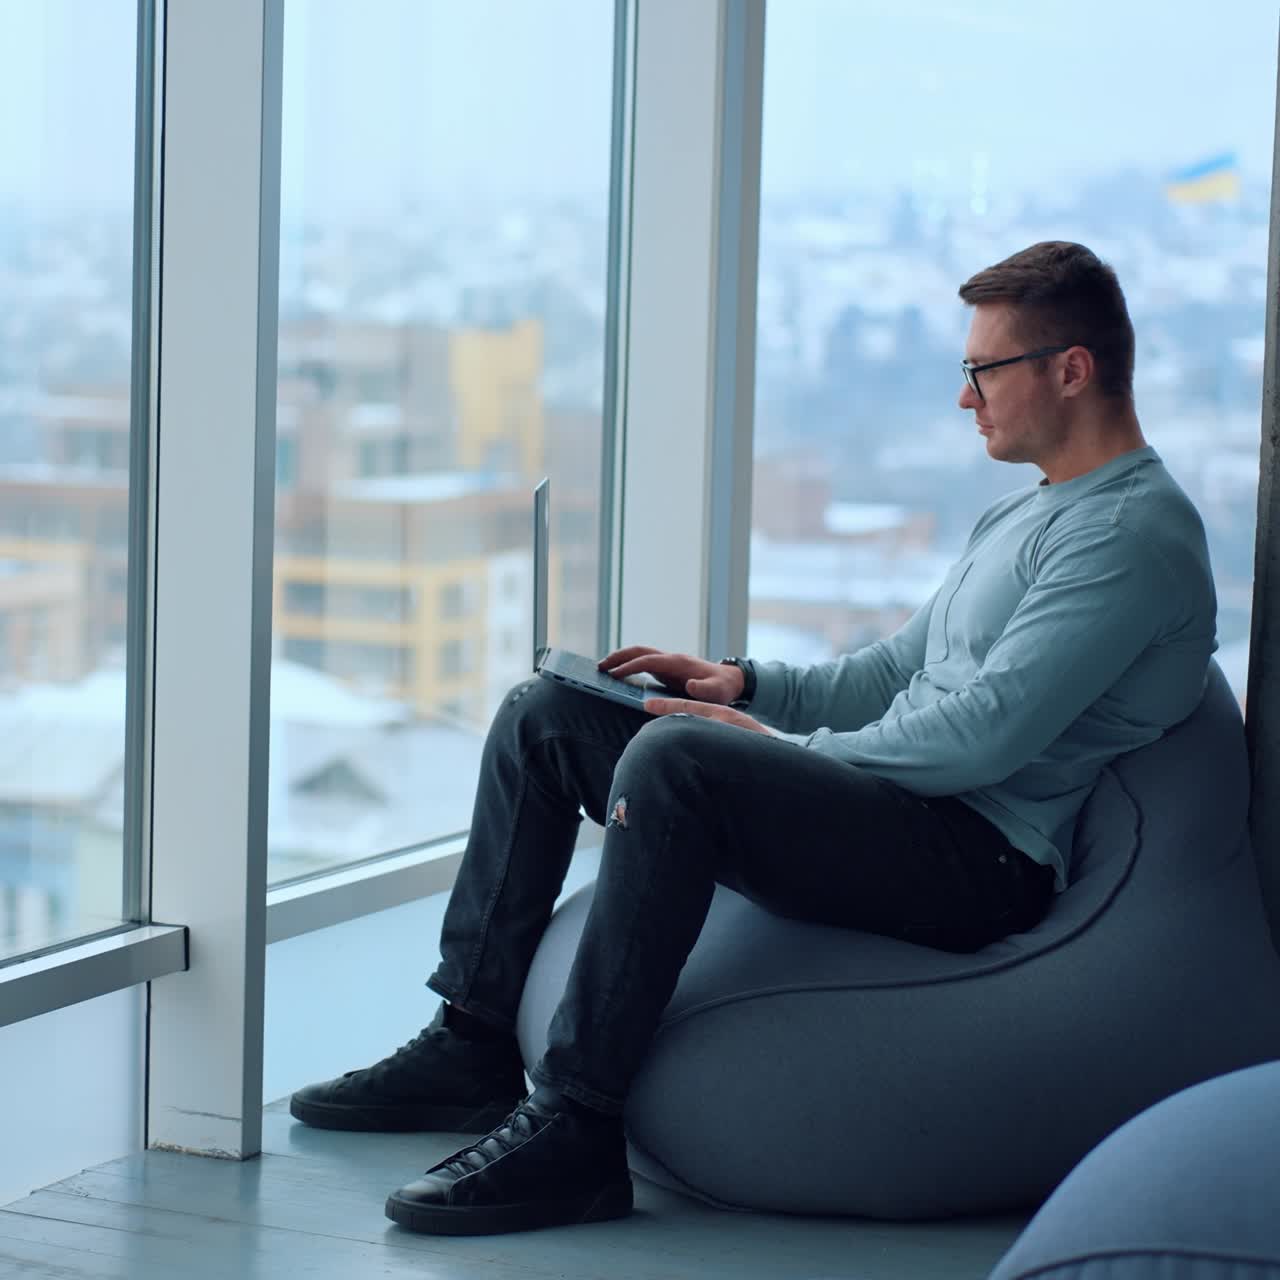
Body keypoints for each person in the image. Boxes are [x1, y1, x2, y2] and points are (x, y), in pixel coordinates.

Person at [289, 241, 1217, 1237]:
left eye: (981, 370)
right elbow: (893, 673)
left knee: (677, 760)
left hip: (975, 852)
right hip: (899, 807)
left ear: (1068, 369)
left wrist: (772, 753)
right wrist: (743, 683)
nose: (965, 399)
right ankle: (471, 1040)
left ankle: (574, 1126)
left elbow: (978, 739)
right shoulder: (1024, 515)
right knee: (545, 715)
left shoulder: (1130, 535)